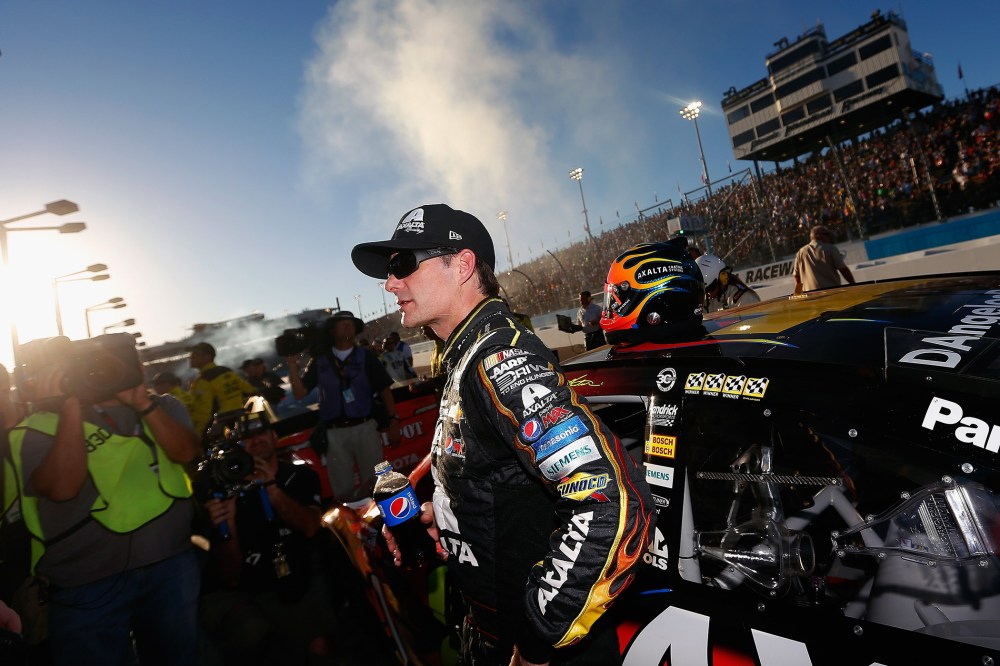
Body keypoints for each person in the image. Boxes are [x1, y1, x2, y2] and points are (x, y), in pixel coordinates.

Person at [352, 203, 655, 666]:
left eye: (403, 264)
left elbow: (616, 503)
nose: (391, 283)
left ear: (463, 265)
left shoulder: (498, 360)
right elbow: (504, 483)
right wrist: (450, 516)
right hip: (491, 626)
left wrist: (538, 641)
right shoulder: (464, 356)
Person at [3, 337, 202, 666]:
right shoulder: (37, 427)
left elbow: (185, 452)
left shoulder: (164, 406)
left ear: (139, 368)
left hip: (171, 565)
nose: (106, 372)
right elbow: (64, 487)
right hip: (84, 583)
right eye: (92, 367)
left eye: (117, 362)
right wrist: (68, 405)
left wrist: (143, 404)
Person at [199, 399, 333, 665]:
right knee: (249, 633)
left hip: (291, 584)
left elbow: (309, 528)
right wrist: (230, 527)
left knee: (321, 647)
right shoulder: (223, 488)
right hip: (245, 592)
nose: (255, 440)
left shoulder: (299, 476)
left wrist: (271, 489)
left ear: (275, 436)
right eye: (245, 437)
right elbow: (230, 576)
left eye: (260, 432)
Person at [285, 312, 401, 502]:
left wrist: (394, 420)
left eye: (351, 324)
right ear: (332, 331)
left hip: (365, 428)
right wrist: (291, 365)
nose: (347, 327)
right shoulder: (320, 361)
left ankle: (383, 522)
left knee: (378, 484)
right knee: (342, 489)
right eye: (342, 324)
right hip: (334, 433)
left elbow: (384, 390)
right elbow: (299, 393)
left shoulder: (367, 356)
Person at [187, 342, 256, 440]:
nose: (191, 358)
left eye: (195, 355)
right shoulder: (227, 371)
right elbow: (250, 390)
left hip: (218, 430)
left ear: (207, 357)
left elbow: (202, 414)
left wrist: (196, 435)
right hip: (239, 423)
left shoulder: (203, 381)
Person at [792, 225, 856, 295]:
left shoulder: (800, 252)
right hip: (832, 293)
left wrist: (798, 293)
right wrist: (854, 285)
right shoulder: (830, 249)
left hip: (810, 296)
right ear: (818, 235)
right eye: (827, 234)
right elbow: (843, 270)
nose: (829, 237)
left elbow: (796, 276)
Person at [695, 253, 761, 313]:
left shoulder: (745, 299)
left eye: (710, 288)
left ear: (723, 278)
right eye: (703, 291)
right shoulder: (703, 302)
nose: (708, 294)